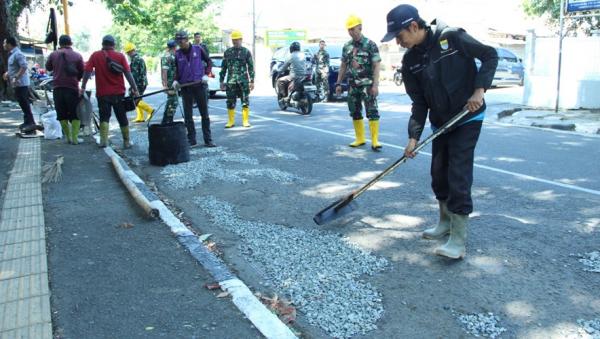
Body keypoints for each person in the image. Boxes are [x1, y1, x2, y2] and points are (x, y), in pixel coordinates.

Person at [382, 4, 498, 259]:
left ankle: (458, 239)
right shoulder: (410, 61)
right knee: (438, 173)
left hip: (467, 116)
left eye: (399, 36)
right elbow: (419, 103)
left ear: (413, 26)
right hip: (440, 122)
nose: (398, 43)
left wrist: (479, 90)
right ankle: (444, 222)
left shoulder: (452, 37)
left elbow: (489, 55)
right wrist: (413, 137)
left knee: (458, 172)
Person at [81, 35, 139, 148]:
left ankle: (103, 141)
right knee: (121, 116)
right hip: (118, 93)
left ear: (102, 44)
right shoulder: (120, 56)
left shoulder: (95, 55)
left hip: (102, 94)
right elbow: (128, 74)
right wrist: (135, 89)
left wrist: (83, 86)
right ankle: (126, 142)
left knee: (104, 117)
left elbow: (87, 71)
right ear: (114, 45)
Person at [336, 15, 382, 152]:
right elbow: (343, 66)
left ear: (360, 28)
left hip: (367, 85)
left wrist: (375, 85)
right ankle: (360, 138)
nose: (350, 32)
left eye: (353, 29)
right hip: (353, 85)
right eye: (348, 29)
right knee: (354, 111)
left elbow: (376, 65)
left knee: (372, 111)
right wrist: (338, 83)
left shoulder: (370, 44)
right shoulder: (347, 46)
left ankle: (375, 141)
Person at [172, 30, 215, 147]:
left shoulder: (198, 49)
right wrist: (175, 80)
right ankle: (191, 139)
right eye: (178, 42)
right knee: (188, 115)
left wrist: (206, 74)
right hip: (185, 88)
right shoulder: (177, 54)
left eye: (182, 41)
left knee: (204, 114)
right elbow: (177, 70)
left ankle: (208, 140)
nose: (180, 44)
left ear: (187, 40)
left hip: (199, 85)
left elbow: (209, 61)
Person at [45, 34, 84, 144]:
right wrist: (77, 80)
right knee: (75, 113)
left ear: (59, 44)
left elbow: (48, 67)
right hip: (72, 88)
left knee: (61, 114)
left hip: (57, 88)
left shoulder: (53, 54)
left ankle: (68, 137)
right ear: (71, 43)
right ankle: (75, 138)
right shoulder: (77, 55)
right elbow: (82, 71)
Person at [219, 30, 255, 128]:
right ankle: (231, 121)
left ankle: (245, 121)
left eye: (237, 39)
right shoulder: (227, 52)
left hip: (243, 81)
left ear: (241, 39)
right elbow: (223, 68)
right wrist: (221, 81)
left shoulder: (246, 52)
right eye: (234, 40)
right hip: (231, 82)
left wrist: (252, 81)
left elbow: (251, 67)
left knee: (245, 100)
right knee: (230, 101)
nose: (235, 41)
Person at [3, 37, 37, 131]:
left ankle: (31, 122)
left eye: (4, 43)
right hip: (17, 84)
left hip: (21, 84)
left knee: (24, 103)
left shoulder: (18, 54)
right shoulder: (12, 54)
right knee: (22, 103)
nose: (3, 45)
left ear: (9, 44)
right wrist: (7, 73)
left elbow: (24, 67)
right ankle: (27, 121)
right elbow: (14, 67)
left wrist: (16, 77)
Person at [124, 42, 154, 122]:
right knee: (138, 98)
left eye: (128, 52)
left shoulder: (135, 60)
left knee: (134, 99)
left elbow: (135, 75)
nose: (127, 54)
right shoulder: (139, 58)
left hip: (138, 83)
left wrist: (134, 87)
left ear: (130, 51)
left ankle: (150, 110)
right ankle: (140, 117)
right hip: (142, 82)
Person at [160, 40, 178, 124]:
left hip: (173, 83)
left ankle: (168, 120)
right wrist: (165, 85)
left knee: (173, 102)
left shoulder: (173, 55)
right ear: (174, 47)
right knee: (172, 102)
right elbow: (164, 71)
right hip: (170, 84)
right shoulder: (167, 56)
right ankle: (167, 121)